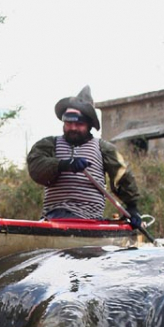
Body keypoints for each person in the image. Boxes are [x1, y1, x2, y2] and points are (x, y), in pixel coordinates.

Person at [27, 86, 143, 226]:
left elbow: (122, 175)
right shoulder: (48, 144)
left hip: (89, 219)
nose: (73, 128)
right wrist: (64, 165)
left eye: (79, 124)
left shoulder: (104, 149)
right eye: (69, 123)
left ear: (89, 125)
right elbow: (36, 167)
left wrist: (132, 208)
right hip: (54, 216)